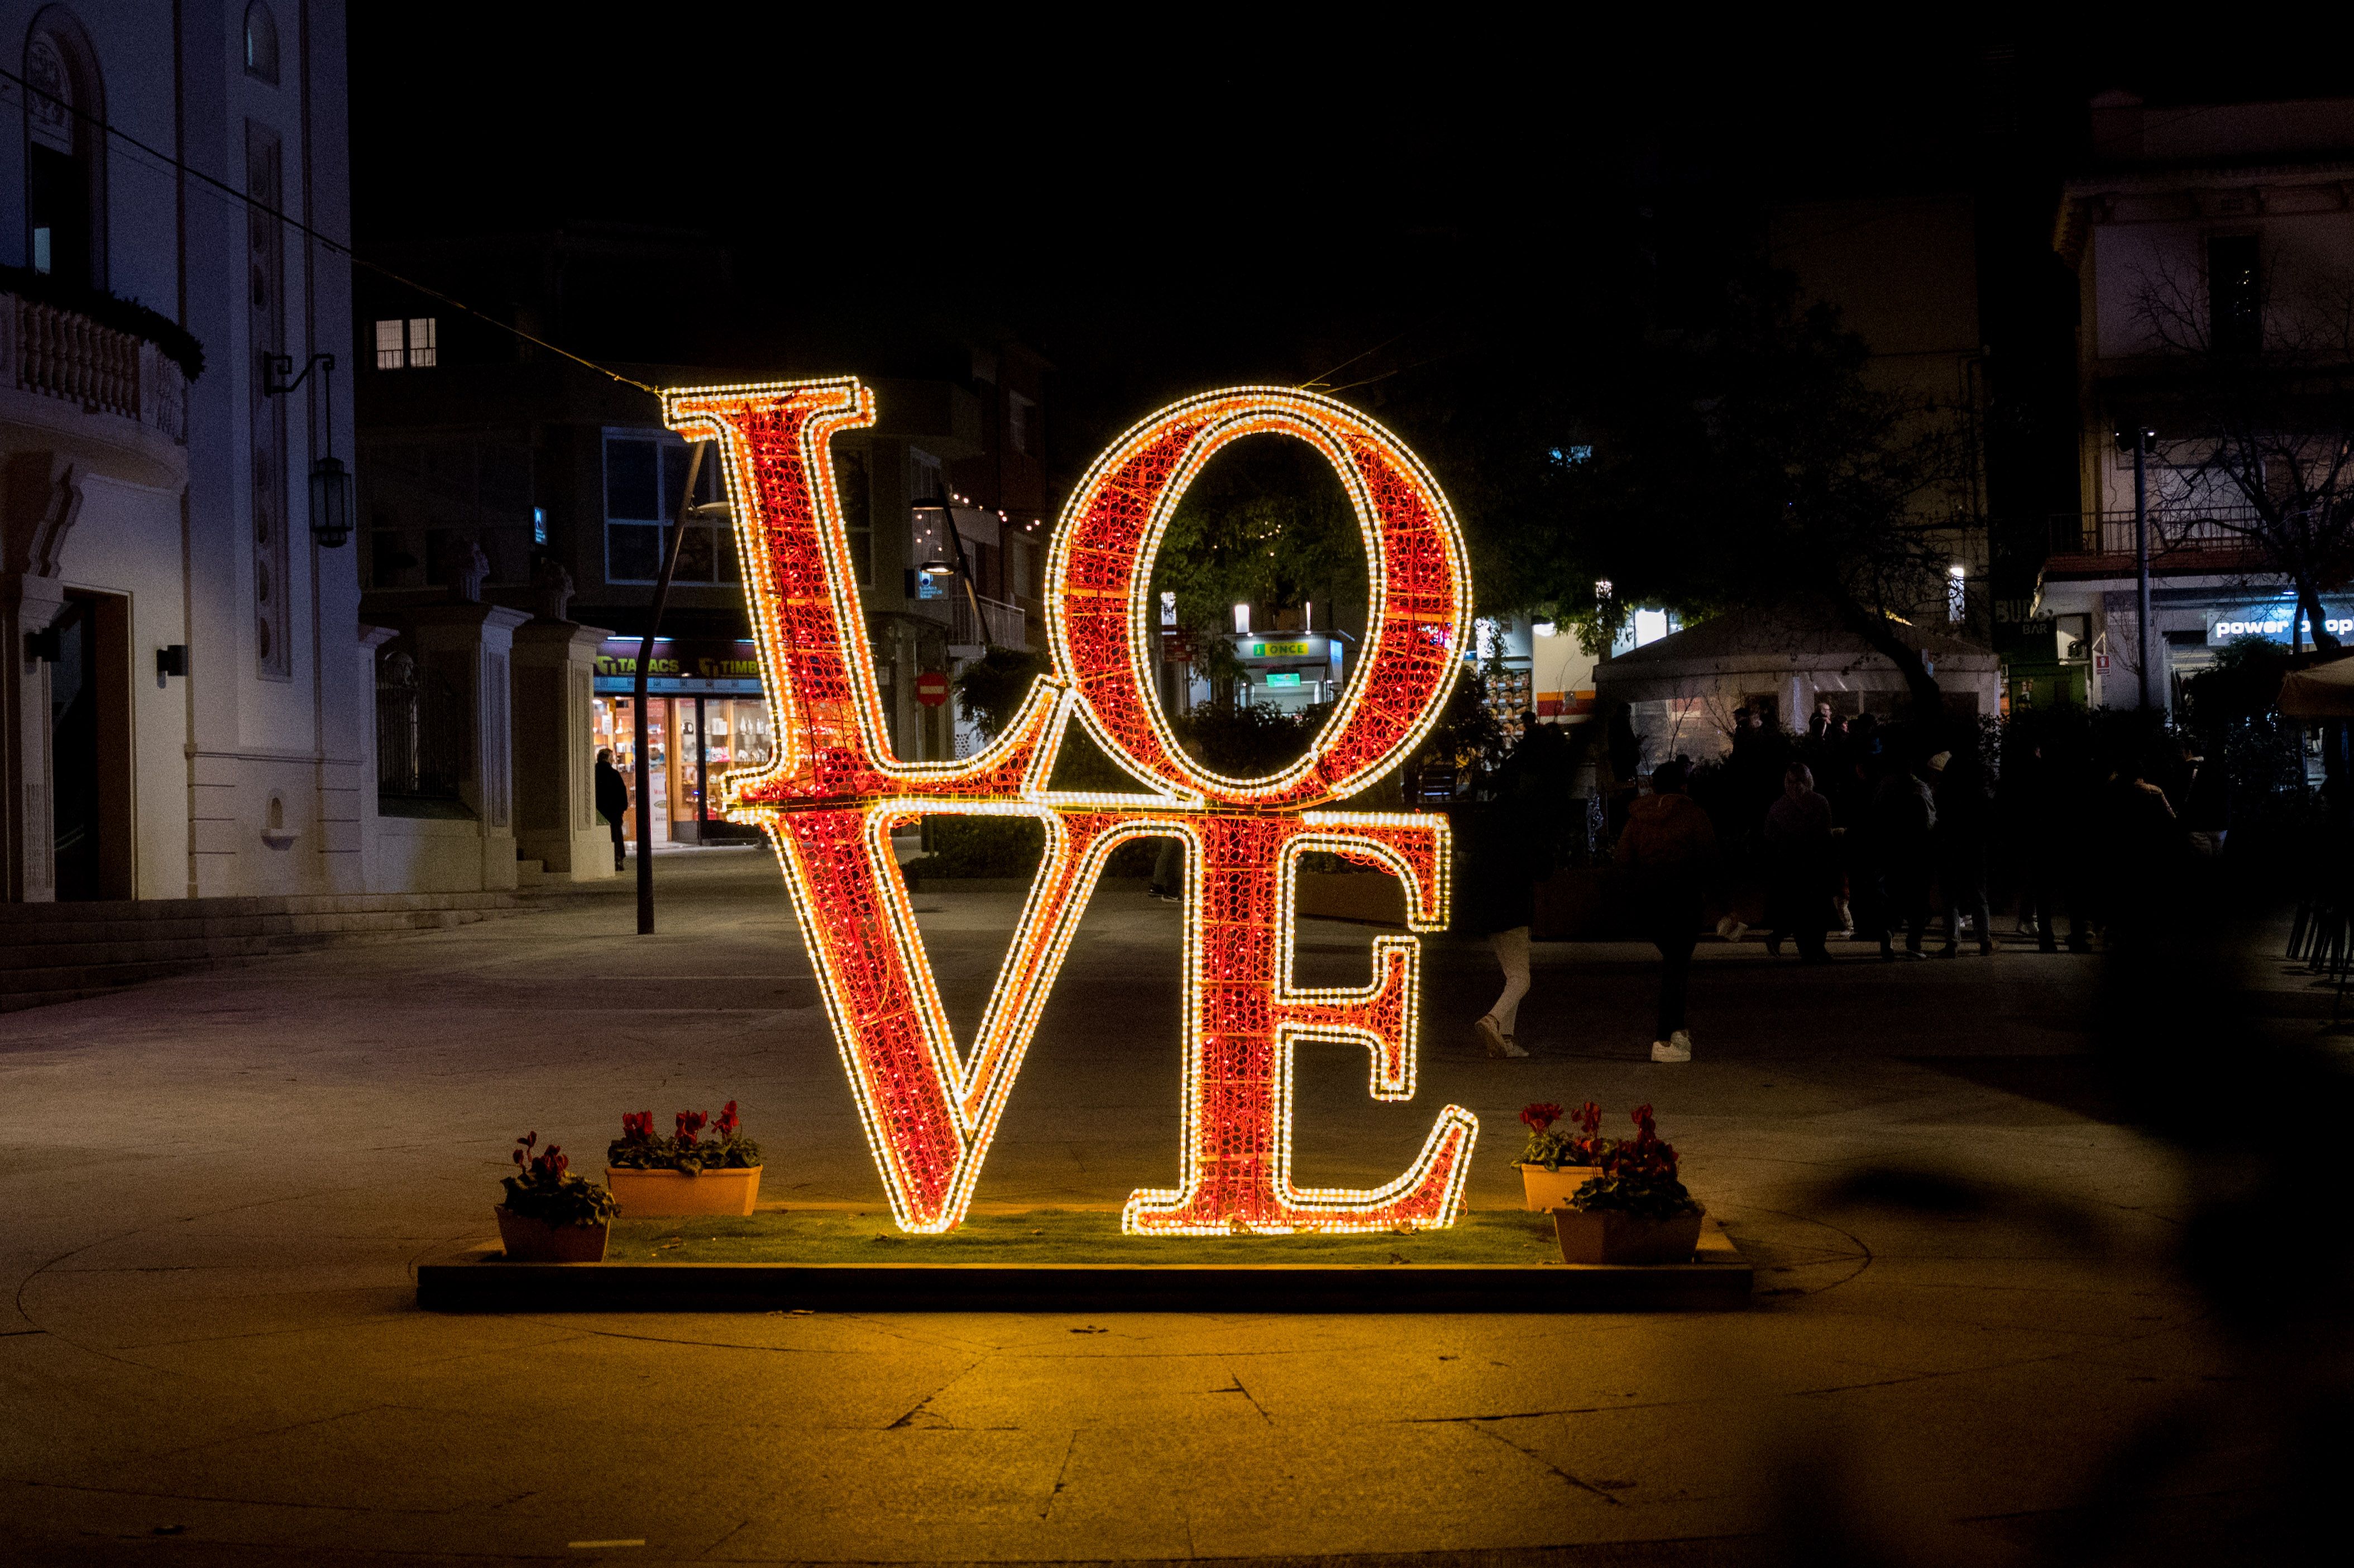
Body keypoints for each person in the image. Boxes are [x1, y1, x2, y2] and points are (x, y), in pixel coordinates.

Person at [1464, 714, 1570, 1058]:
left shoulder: (1495, 814)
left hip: (1488, 904)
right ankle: (1493, 1021)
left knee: (1513, 973)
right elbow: (1538, 865)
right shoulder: (1527, 818)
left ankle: (1506, 1039)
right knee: (1522, 978)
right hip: (1512, 903)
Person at [1616, 758, 1719, 1062]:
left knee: (1674, 963)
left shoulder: (1638, 817)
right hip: (1683, 898)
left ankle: (1675, 1031)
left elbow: (1622, 859)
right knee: (1677, 965)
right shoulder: (1693, 815)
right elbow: (1711, 859)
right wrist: (1722, 903)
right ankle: (1666, 1037)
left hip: (1649, 900)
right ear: (1684, 787)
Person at [1764, 762, 1836, 963]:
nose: (1797, 786)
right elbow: (1826, 833)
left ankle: (1811, 949)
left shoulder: (1780, 807)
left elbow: (1769, 835)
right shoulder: (1817, 802)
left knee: (1807, 908)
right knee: (1811, 908)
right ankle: (1813, 949)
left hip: (1798, 863)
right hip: (1806, 862)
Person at [1868, 749, 1936, 959]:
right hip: (1916, 849)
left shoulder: (1885, 787)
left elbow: (1875, 815)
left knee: (1894, 895)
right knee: (1918, 898)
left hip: (1891, 848)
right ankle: (1914, 944)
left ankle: (1888, 932)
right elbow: (1929, 820)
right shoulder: (1919, 788)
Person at [1929, 747, 1994, 957]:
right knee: (1978, 896)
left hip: (1951, 848)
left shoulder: (1944, 793)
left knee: (1951, 898)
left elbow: (1938, 822)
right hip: (1975, 848)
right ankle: (1985, 941)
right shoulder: (1979, 795)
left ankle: (1953, 942)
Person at [594, 748, 631, 871]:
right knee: (616, 835)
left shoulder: (593, 773)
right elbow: (621, 792)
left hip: (599, 810)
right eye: (612, 758)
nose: (613, 760)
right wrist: (622, 807)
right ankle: (617, 860)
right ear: (608, 759)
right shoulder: (614, 774)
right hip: (613, 811)